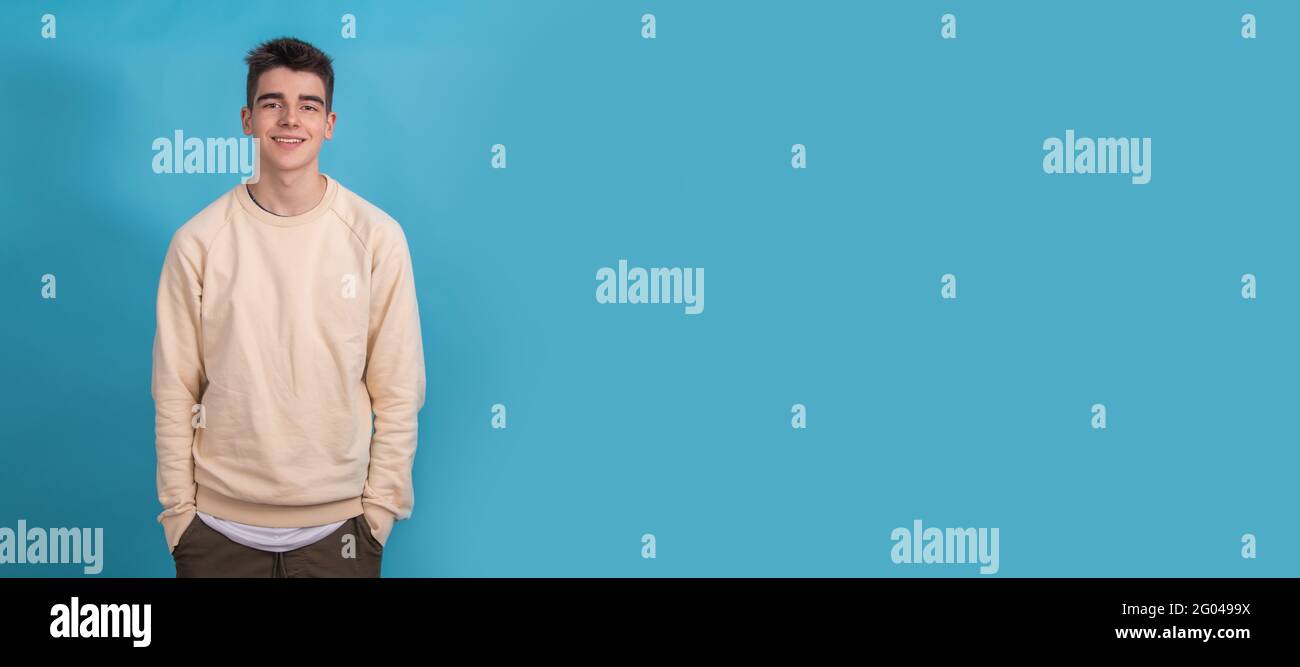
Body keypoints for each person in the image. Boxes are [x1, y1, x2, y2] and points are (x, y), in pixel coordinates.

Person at [150, 37, 426, 577]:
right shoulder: (198, 241)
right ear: (247, 119)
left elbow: (398, 389)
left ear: (330, 123)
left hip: (341, 534)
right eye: (273, 103)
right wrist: (180, 517)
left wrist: (378, 515)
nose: (290, 118)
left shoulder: (376, 237)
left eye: (308, 105)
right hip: (215, 534)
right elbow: (173, 389)